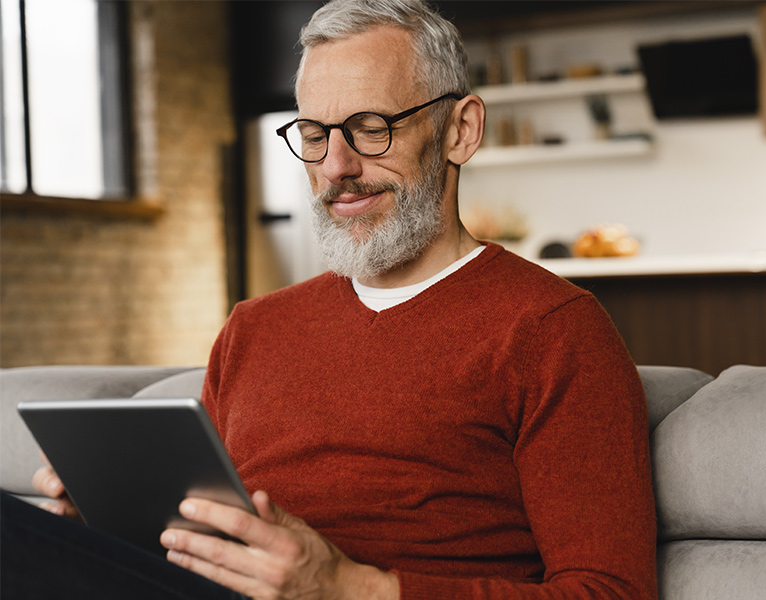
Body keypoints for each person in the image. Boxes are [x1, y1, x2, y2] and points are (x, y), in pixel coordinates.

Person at [15, 0, 656, 599]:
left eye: (369, 128)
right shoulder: (255, 327)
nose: (334, 166)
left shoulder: (551, 329)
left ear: (461, 130)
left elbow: (611, 592)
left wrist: (347, 587)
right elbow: (201, 530)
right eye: (314, 134)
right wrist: (108, 523)